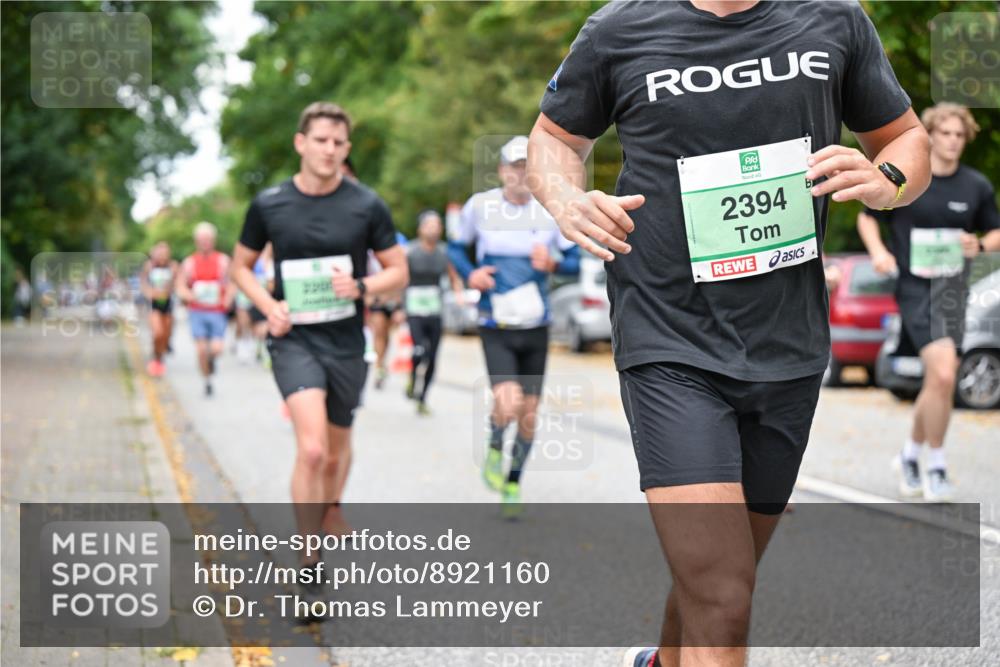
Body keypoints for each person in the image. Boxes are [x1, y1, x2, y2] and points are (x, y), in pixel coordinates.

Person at [526, 1, 930, 663]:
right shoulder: (621, 28)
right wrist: (568, 200)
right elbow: (553, 139)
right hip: (669, 337)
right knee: (723, 596)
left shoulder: (834, 21)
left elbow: (904, 138)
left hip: (789, 346)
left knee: (719, 579)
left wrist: (886, 182)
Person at [231, 102, 407, 589]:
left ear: (346, 149)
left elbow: (398, 269)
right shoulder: (269, 204)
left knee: (335, 451)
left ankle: (330, 505)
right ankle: (308, 563)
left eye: (338, 142)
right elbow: (239, 267)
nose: (329, 149)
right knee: (311, 450)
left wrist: (363, 288)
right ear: (300, 143)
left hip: (347, 342)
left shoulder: (366, 205)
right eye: (321, 140)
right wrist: (269, 307)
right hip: (294, 340)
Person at [858, 102, 999, 502]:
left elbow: (995, 232)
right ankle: (935, 465)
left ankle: (910, 455)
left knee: (940, 380)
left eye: (959, 135)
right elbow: (869, 215)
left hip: (953, 289)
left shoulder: (975, 186)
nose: (952, 141)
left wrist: (979, 244)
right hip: (915, 288)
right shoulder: (911, 178)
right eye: (945, 133)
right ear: (931, 135)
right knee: (941, 375)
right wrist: (878, 253)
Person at [449, 135, 581, 518]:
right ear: (503, 171)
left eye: (529, 167)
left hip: (536, 326)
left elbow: (577, 261)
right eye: (515, 167)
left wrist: (555, 265)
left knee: (528, 414)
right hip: (496, 323)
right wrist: (471, 273)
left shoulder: (551, 210)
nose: (522, 174)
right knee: (507, 403)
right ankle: (494, 446)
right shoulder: (481, 207)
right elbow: (456, 248)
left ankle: (512, 482)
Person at [405, 209, 464, 415]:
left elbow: (454, 276)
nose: (434, 229)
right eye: (429, 225)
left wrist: (459, 293)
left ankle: (422, 398)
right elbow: (400, 279)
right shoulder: (410, 251)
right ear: (420, 228)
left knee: (433, 356)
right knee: (419, 350)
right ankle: (412, 378)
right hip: (414, 309)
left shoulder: (444, 252)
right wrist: (396, 306)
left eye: (437, 225)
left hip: (435, 310)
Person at [176, 223, 234, 396]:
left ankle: (211, 362)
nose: (205, 242)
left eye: (208, 239)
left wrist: (228, 299)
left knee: (216, 349)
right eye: (202, 239)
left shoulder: (223, 260)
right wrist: (188, 295)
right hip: (197, 311)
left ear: (213, 240)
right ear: (196, 241)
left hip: (217, 311)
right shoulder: (189, 262)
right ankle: (207, 380)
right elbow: (180, 285)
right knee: (201, 350)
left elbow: (233, 282)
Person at [139, 241, 179, 377]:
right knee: (157, 333)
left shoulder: (173, 266)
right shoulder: (149, 266)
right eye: (159, 253)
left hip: (168, 305)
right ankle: (156, 357)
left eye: (164, 253)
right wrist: (150, 292)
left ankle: (160, 355)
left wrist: (171, 284)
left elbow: (177, 284)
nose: (162, 256)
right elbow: (143, 283)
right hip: (154, 305)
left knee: (165, 335)